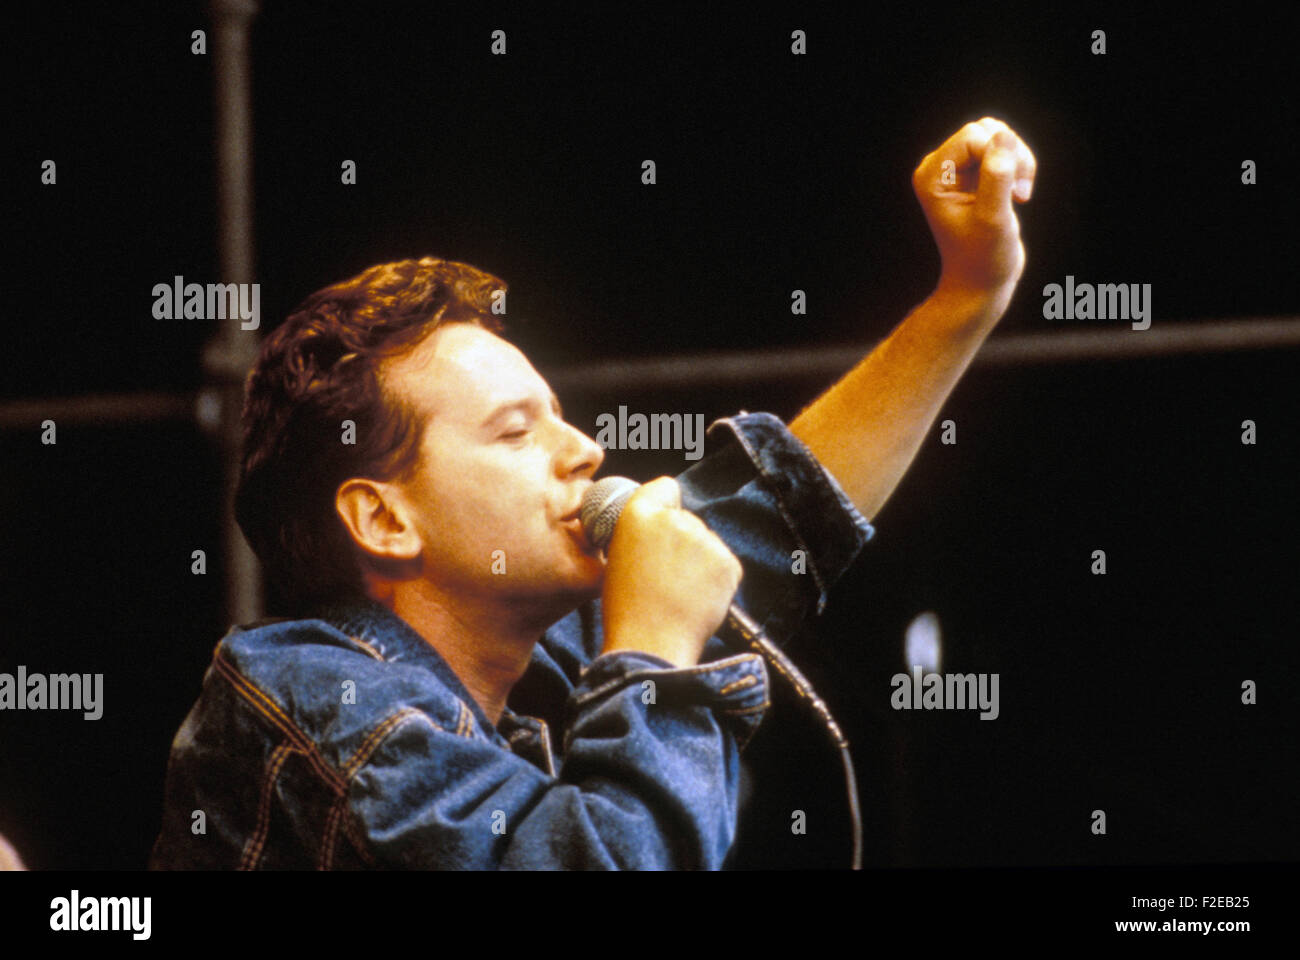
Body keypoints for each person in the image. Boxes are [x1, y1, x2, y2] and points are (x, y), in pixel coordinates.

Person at [149, 118, 1036, 869]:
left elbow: (774, 515)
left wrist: (967, 295)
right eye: (513, 430)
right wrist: (652, 653)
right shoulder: (309, 700)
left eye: (560, 416)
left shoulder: (534, 659)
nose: (584, 449)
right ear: (384, 518)